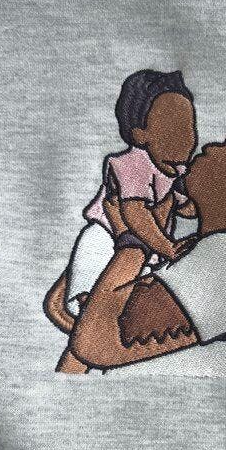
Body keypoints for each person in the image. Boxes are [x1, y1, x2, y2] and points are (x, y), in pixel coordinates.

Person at [54, 119, 226, 379]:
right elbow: (69, 321)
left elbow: (93, 344)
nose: (211, 147)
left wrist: (133, 240)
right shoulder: (200, 250)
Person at [44, 69, 198, 326]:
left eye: (188, 127)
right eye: (171, 128)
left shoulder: (177, 172)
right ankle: (85, 302)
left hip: (147, 246)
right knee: (93, 255)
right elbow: (134, 213)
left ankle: (110, 320)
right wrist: (168, 248)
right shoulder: (132, 164)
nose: (185, 136)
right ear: (139, 134)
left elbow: (187, 208)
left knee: (136, 295)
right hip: (108, 233)